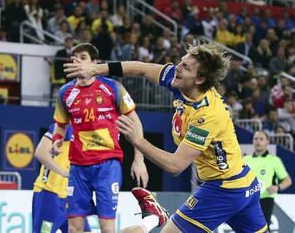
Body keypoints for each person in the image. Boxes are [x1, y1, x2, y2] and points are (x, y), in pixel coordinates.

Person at [64, 43, 268, 232]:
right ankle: (153, 218)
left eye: (186, 67)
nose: (177, 67)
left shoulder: (207, 115)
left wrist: (138, 141)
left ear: (200, 79)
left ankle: (152, 218)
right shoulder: (181, 81)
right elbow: (140, 68)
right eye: (181, 61)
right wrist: (96, 69)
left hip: (224, 189)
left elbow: (175, 166)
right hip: (242, 183)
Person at [52, 43, 149, 233]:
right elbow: (60, 124)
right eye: (75, 58)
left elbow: (136, 123)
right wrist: (57, 138)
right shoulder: (65, 93)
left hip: (107, 166)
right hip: (78, 167)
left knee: (107, 227)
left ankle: (151, 221)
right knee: (74, 228)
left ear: (94, 63)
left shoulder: (112, 87)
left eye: (82, 58)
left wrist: (139, 159)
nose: (77, 62)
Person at [33, 123, 91, 233]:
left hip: (71, 198)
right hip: (50, 195)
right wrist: (62, 172)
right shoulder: (65, 127)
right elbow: (40, 152)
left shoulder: (92, 132)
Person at [245, 131, 292, 230]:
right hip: (248, 199)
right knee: (247, 228)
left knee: (263, 228)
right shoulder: (245, 160)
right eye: (255, 139)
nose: (258, 141)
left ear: (267, 142)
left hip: (266, 199)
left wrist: (277, 187)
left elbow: (287, 180)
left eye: (261, 139)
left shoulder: (274, 160)